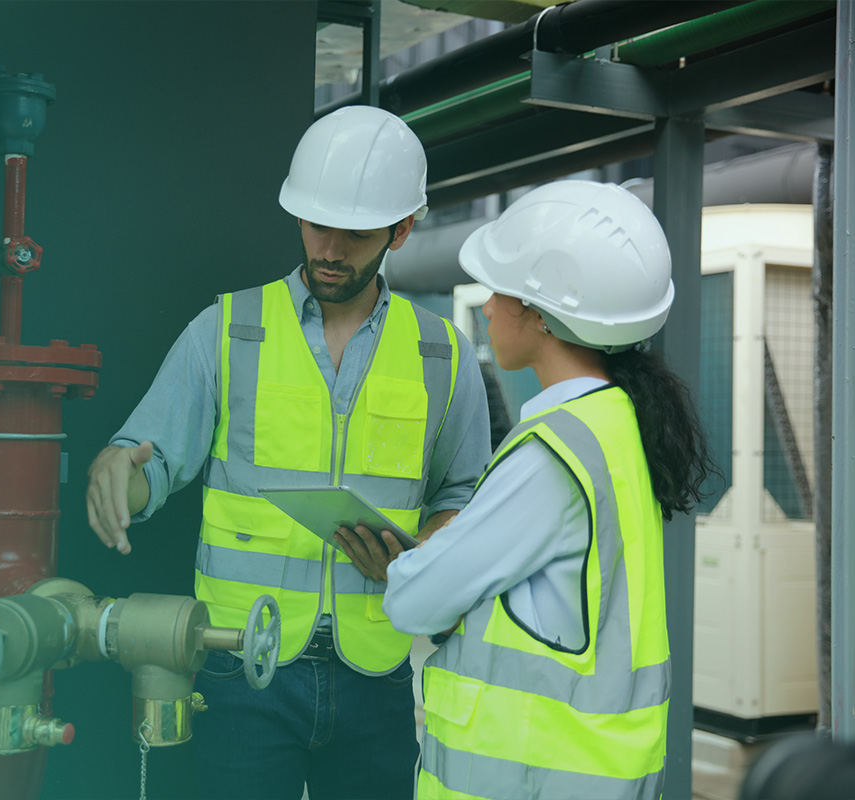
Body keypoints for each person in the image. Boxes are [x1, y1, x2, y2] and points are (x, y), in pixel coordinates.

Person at [85, 104, 492, 800]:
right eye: (315, 224)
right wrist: (118, 472)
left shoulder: (442, 354)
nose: (329, 247)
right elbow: (148, 460)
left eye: (355, 233)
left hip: (377, 673)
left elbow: (463, 497)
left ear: (402, 229)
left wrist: (425, 550)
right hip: (240, 666)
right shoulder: (227, 330)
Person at [373, 180, 715, 800]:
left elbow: (414, 602)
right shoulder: (617, 422)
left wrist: (416, 557)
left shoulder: (553, 456)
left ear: (539, 313)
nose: (484, 308)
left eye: (497, 291)